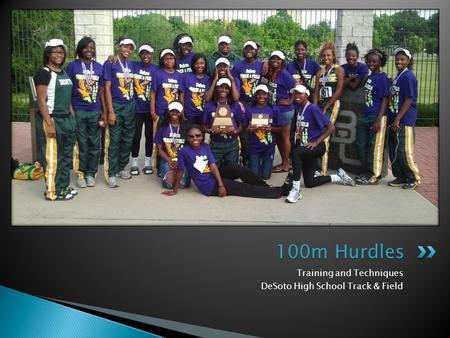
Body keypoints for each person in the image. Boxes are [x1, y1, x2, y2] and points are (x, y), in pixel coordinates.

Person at [162, 125, 291, 199]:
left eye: (198, 135)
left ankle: (264, 186)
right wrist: (175, 189)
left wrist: (221, 183)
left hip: (213, 176)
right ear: (187, 138)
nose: (195, 138)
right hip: (208, 186)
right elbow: (180, 171)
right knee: (244, 188)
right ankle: (279, 192)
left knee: (237, 168)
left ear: (202, 136)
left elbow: (212, 165)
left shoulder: (205, 146)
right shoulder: (184, 151)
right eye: (191, 136)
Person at [285, 85, 355, 203]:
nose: (297, 96)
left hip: (316, 147)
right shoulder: (299, 108)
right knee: (310, 182)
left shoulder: (312, 108)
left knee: (296, 153)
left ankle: (296, 190)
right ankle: (338, 177)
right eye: (295, 93)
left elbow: (331, 127)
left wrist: (316, 142)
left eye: (299, 93)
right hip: (305, 148)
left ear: (306, 95)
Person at [34, 38, 77, 200]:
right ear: (48, 54)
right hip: (52, 120)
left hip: (66, 120)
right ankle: (52, 192)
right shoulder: (44, 73)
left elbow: (67, 98)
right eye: (55, 52)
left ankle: (63, 187)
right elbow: (41, 101)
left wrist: (72, 116)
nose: (59, 55)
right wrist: (49, 124)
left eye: (61, 52)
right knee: (53, 158)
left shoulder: (63, 71)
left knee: (66, 156)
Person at [66, 36, 106, 189]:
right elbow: (67, 89)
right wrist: (70, 110)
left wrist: (103, 111)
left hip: (95, 110)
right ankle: (80, 174)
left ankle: (91, 173)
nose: (89, 50)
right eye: (86, 47)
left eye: (91, 47)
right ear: (80, 49)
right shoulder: (72, 66)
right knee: (81, 143)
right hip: (78, 110)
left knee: (95, 144)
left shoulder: (99, 67)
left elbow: (101, 91)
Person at [103, 36, 136, 188]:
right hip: (116, 106)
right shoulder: (110, 63)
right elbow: (107, 88)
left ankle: (122, 167)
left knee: (127, 139)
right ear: (119, 47)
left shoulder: (132, 64)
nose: (127, 50)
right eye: (125, 46)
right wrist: (110, 111)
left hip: (130, 106)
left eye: (130, 48)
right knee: (114, 140)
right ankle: (111, 172)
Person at [387, 47, 420, 189]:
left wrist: (397, 119)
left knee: (404, 151)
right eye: (397, 59)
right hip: (396, 118)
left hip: (405, 120)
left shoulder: (408, 76)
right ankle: (401, 176)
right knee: (395, 149)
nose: (399, 61)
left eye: (402, 59)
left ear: (408, 60)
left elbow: (408, 99)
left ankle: (413, 178)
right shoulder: (399, 75)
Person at [355, 48, 389, 185]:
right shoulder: (370, 76)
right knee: (361, 144)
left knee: (375, 147)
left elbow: (385, 99)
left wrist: (378, 120)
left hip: (377, 116)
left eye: (374, 61)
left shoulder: (382, 78)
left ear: (380, 62)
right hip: (366, 115)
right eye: (369, 61)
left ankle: (373, 175)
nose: (371, 63)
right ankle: (368, 171)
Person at [232, 40, 265, 166]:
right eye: (246, 49)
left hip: (257, 102)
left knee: (257, 129)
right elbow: (235, 85)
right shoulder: (238, 67)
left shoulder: (261, 65)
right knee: (244, 130)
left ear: (256, 51)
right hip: (243, 102)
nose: (249, 51)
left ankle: (256, 157)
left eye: (251, 49)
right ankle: (245, 157)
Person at [313, 42, 344, 175]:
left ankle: (321, 171)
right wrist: (314, 108)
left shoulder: (338, 70)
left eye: (328, 55)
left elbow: (339, 90)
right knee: (316, 133)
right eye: (324, 55)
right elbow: (316, 91)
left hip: (331, 104)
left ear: (333, 56)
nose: (326, 58)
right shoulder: (320, 71)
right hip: (320, 104)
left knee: (324, 135)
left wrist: (326, 106)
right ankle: (315, 166)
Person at [150, 48, 183, 175]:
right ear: (162, 60)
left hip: (175, 112)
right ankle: (159, 167)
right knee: (160, 140)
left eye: (171, 58)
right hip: (161, 112)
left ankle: (175, 162)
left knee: (173, 138)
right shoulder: (158, 74)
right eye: (166, 58)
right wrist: (153, 111)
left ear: (175, 60)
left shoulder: (179, 75)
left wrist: (182, 111)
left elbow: (181, 95)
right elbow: (153, 93)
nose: (169, 60)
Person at [264, 50, 296, 174]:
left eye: (278, 59)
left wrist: (289, 101)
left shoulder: (284, 74)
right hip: (275, 109)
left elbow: (295, 87)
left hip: (285, 110)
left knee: (285, 136)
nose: (275, 61)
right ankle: (285, 161)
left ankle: (285, 164)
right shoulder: (272, 73)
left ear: (282, 61)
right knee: (278, 136)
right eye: (273, 59)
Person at [129, 43, 159, 176]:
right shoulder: (133, 65)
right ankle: (134, 163)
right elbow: (119, 62)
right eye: (143, 53)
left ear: (152, 55)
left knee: (149, 136)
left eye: (148, 53)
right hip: (136, 109)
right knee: (135, 136)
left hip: (150, 109)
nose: (146, 56)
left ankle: (147, 163)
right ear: (139, 55)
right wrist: (111, 58)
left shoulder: (157, 69)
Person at [202, 78, 243, 167]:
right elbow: (203, 126)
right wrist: (211, 131)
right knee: (215, 169)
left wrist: (235, 131)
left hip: (232, 143)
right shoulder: (209, 106)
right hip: (215, 143)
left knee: (233, 169)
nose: (224, 90)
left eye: (227, 88)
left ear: (230, 90)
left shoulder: (235, 105)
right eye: (221, 87)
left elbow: (240, 125)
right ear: (216, 88)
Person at [246, 84, 281, 180]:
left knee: (266, 176)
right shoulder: (249, 109)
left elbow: (281, 128)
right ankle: (253, 165)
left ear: (267, 95)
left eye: (264, 94)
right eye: (259, 94)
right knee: (254, 176)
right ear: (255, 95)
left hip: (268, 147)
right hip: (254, 147)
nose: (261, 97)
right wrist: (249, 129)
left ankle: (263, 166)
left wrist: (271, 129)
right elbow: (245, 128)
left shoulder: (274, 109)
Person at [154, 101, 190, 190]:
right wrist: (170, 161)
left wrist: (180, 161)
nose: (175, 113)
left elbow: (189, 148)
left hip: (182, 160)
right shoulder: (162, 128)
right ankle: (168, 171)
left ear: (181, 112)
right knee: (168, 185)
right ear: (168, 111)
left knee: (182, 184)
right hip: (167, 159)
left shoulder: (186, 127)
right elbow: (159, 149)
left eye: (177, 111)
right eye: (172, 111)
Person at [179, 53, 211, 126]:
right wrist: (182, 114)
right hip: (189, 114)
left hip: (202, 114)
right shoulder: (186, 77)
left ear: (205, 64)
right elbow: (181, 97)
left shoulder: (208, 79)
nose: (199, 66)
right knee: (189, 135)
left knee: (200, 136)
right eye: (196, 63)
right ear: (193, 65)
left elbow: (207, 99)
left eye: (202, 63)